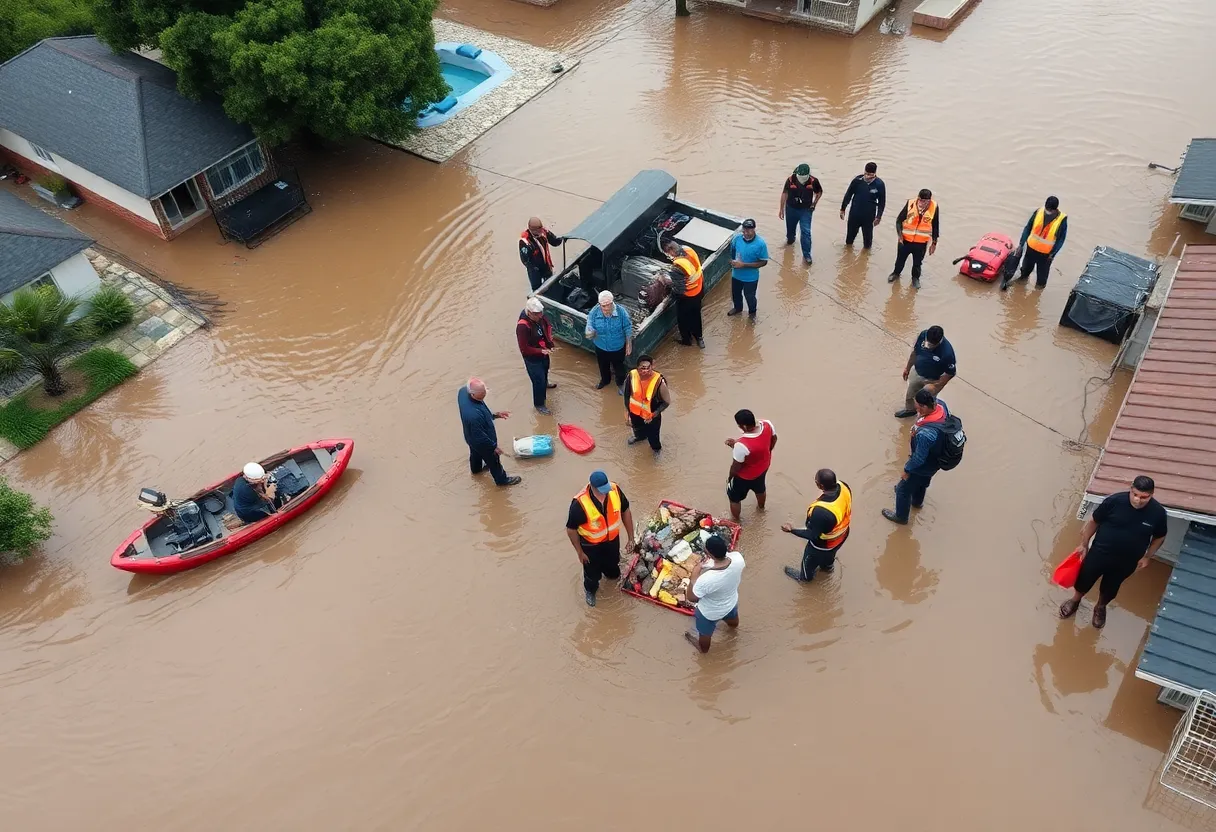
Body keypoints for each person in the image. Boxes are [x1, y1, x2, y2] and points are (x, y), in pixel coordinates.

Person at [1060, 475, 1167, 629]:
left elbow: (1160, 536)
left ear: (1152, 494)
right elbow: (1093, 521)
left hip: (1127, 561)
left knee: (1111, 587)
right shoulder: (1114, 502)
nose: (1138, 500)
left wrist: (1148, 556)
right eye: (1135, 494)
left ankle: (1100, 607)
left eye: (1144, 497)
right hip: (1099, 553)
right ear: (1130, 489)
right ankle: (1075, 600)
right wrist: (1084, 544)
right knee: (1085, 578)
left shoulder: (1158, 513)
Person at [566, 470, 635, 607]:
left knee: (613, 571)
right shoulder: (579, 504)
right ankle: (590, 591)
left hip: (612, 541)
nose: (605, 493)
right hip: (591, 547)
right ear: (592, 487)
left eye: (606, 489)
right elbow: (571, 529)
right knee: (592, 575)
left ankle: (612, 577)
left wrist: (631, 537)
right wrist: (580, 552)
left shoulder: (614, 490)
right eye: (601, 491)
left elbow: (625, 510)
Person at [882, 389, 948, 525]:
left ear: (924, 407)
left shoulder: (926, 434)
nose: (915, 407)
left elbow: (919, 458)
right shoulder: (942, 406)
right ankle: (917, 503)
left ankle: (901, 517)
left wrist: (906, 470)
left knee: (902, 489)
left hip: (923, 464)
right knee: (922, 483)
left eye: (917, 405)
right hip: (935, 461)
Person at [781, 469, 852, 582]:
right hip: (842, 535)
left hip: (822, 545)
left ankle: (805, 578)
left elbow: (812, 535)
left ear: (820, 485)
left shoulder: (821, 512)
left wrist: (791, 530)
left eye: (816, 481)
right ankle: (827, 568)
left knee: (809, 562)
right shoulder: (844, 486)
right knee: (830, 556)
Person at [684, 534, 744, 653]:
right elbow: (731, 556)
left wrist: (695, 572)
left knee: (705, 637)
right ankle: (732, 630)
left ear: (710, 555)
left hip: (709, 613)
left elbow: (691, 598)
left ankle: (702, 649)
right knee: (733, 624)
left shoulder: (707, 579)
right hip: (731, 604)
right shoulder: (738, 559)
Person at [457, 377, 520, 487]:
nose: (484, 396)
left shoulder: (463, 392)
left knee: (475, 453)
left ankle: (476, 471)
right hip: (480, 439)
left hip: (470, 436)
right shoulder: (473, 415)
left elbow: (481, 409)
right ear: (472, 394)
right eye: (481, 395)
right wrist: (493, 447)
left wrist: (495, 415)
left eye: (484, 392)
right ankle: (502, 480)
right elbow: (480, 436)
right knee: (493, 459)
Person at [1003, 196, 1068, 291]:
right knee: (1024, 272)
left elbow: (1061, 239)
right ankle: (1020, 288)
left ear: (1055, 209)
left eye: (1050, 210)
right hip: (1031, 250)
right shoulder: (1038, 212)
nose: (1048, 211)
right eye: (1047, 209)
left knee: (1041, 281)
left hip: (1046, 255)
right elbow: (1028, 228)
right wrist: (1021, 245)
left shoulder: (1061, 220)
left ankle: (1036, 294)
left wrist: (1053, 253)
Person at [725, 409, 777, 522]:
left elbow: (736, 466)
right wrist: (766, 452)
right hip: (763, 467)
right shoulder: (767, 424)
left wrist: (730, 478)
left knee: (734, 498)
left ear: (743, 426)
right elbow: (774, 439)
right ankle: (761, 509)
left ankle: (736, 521)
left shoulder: (741, 445)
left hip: (744, 477)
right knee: (760, 488)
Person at [894, 325, 956, 418]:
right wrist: (907, 368)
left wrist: (937, 386)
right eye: (928, 343)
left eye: (931, 345)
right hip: (918, 372)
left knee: (927, 402)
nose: (928, 346)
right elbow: (915, 352)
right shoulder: (923, 335)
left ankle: (926, 419)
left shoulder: (947, 353)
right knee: (910, 393)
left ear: (939, 342)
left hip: (933, 380)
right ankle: (910, 410)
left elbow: (950, 373)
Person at [888, 189, 939, 290]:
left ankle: (915, 279)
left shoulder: (934, 207)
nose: (921, 203)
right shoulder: (910, 203)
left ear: (929, 201)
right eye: (920, 200)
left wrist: (934, 243)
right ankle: (896, 273)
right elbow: (899, 220)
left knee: (917, 263)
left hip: (921, 243)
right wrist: (900, 236)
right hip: (905, 240)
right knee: (900, 260)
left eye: (924, 201)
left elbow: (935, 226)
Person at [584, 290, 633, 393]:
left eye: (608, 305)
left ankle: (621, 383)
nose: (606, 308)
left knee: (619, 366)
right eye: (603, 306)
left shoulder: (621, 312)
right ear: (599, 304)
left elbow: (628, 327)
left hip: (617, 346)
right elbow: (590, 323)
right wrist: (589, 331)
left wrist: (629, 344)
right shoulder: (594, 312)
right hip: (601, 346)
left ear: (612, 302)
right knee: (603, 365)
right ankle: (605, 381)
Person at [662, 238, 705, 348]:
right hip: (699, 288)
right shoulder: (688, 249)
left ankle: (687, 340)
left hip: (687, 295)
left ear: (671, 250)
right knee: (696, 315)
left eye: (667, 253)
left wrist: (668, 284)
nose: (668, 256)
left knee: (683, 318)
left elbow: (679, 289)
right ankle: (699, 338)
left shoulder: (678, 266)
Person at [516, 297, 557, 415]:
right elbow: (524, 349)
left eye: (541, 313)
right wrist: (540, 351)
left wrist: (550, 344)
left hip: (543, 351)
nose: (540, 316)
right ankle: (539, 404)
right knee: (538, 380)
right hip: (532, 358)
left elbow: (546, 330)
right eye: (536, 314)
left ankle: (546, 383)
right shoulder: (522, 326)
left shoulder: (540, 317)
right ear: (529, 313)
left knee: (545, 370)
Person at [623, 354, 670, 452]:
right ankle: (639, 437)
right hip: (635, 413)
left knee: (654, 439)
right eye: (642, 368)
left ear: (652, 366)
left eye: (648, 368)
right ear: (637, 368)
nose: (645, 371)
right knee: (637, 430)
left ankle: (656, 451)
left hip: (651, 417)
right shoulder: (631, 376)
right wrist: (627, 411)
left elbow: (666, 402)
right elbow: (627, 395)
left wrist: (653, 415)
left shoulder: (659, 382)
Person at [778, 163, 823, 265]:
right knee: (790, 233)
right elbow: (784, 193)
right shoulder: (790, 180)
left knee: (806, 232)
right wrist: (781, 209)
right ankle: (790, 240)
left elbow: (819, 192)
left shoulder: (813, 181)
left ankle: (807, 255)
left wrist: (814, 203)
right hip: (791, 209)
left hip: (806, 210)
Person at [728, 219, 769, 318]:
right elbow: (732, 251)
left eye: (749, 230)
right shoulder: (737, 239)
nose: (746, 233)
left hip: (751, 278)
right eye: (744, 230)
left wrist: (744, 265)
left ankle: (752, 314)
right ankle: (738, 308)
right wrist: (732, 261)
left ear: (754, 229)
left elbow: (764, 262)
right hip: (736, 275)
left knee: (750, 297)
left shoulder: (761, 244)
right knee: (735, 294)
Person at [840, 162, 886, 250]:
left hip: (868, 217)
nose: (867, 176)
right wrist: (843, 209)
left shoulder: (879, 184)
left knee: (867, 244)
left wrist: (878, 216)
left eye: (869, 175)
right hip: (854, 214)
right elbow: (848, 194)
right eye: (866, 173)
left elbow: (882, 202)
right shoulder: (857, 180)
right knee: (849, 241)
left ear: (874, 174)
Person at [520, 217, 563, 291]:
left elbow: (555, 242)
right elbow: (525, 261)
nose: (541, 232)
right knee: (537, 289)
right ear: (532, 231)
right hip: (534, 270)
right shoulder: (524, 242)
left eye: (541, 229)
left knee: (551, 285)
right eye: (539, 231)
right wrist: (534, 268)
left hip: (546, 265)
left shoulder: (544, 232)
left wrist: (562, 238)